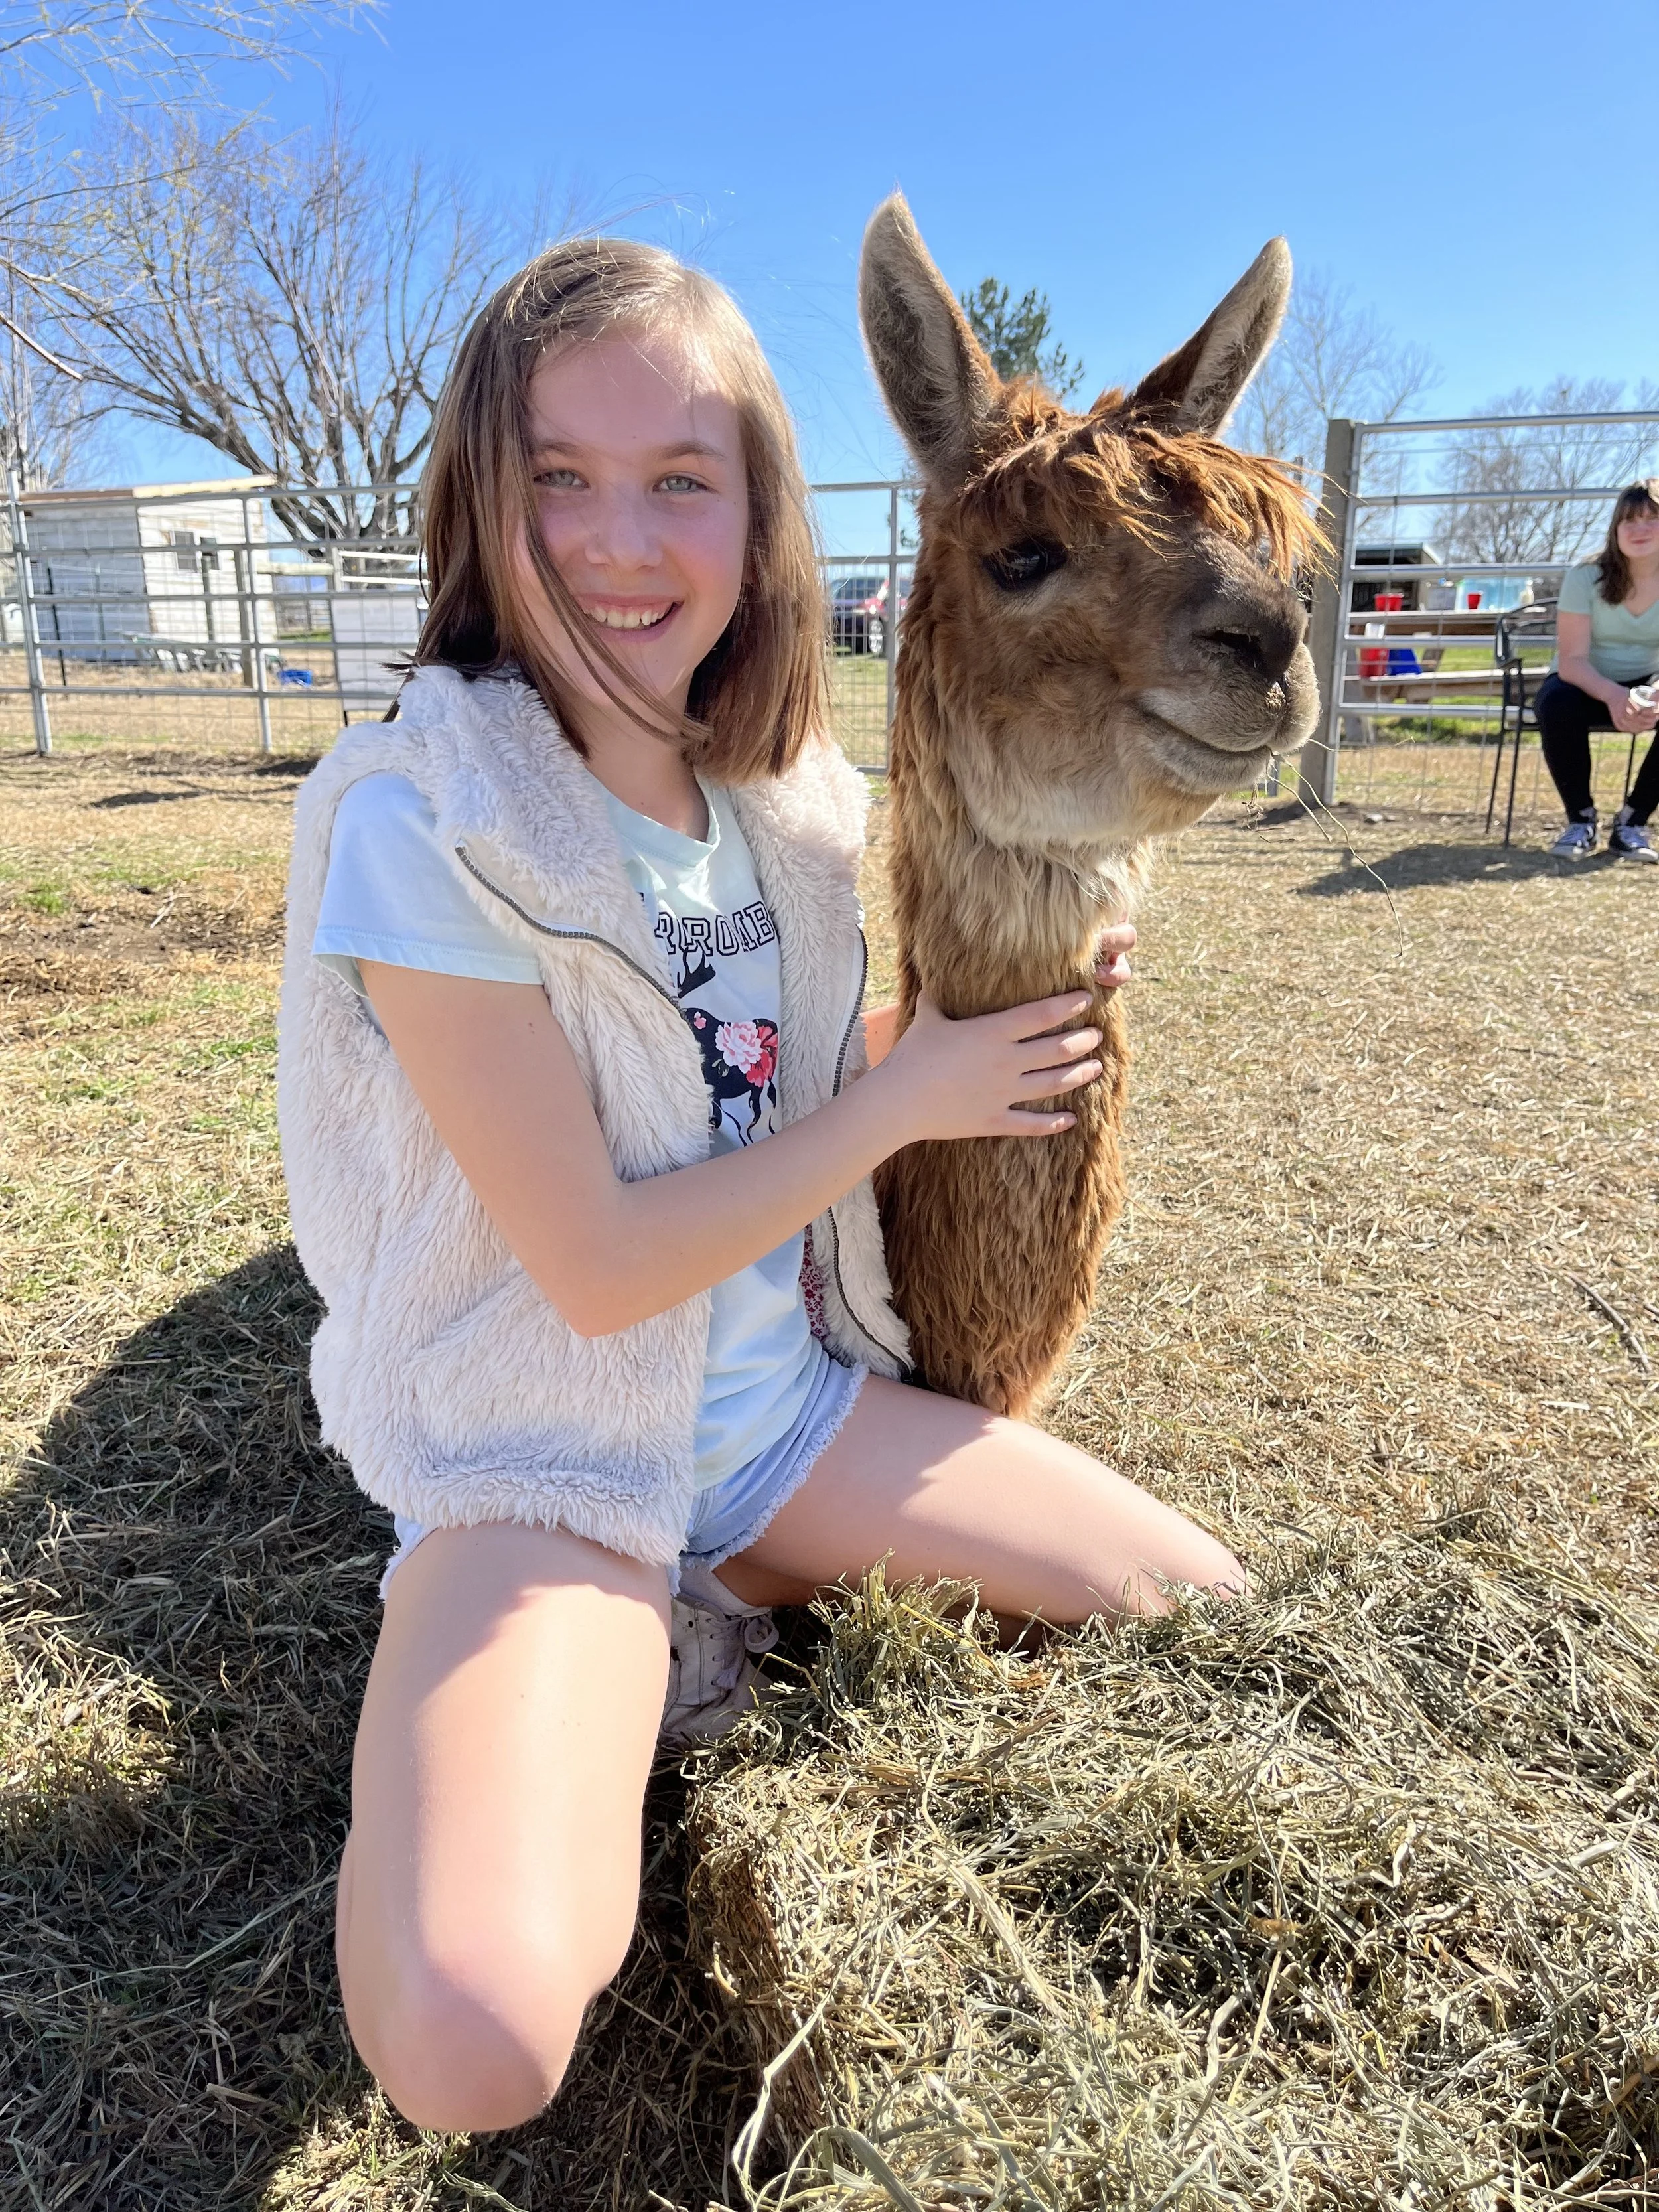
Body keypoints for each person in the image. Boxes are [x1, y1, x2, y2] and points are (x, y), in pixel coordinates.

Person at [276, 237, 1248, 2138]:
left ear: (755, 509)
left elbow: (750, 1073)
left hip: (782, 1419)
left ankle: (733, 1589)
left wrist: (987, 1016)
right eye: (557, 476)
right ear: (481, 491)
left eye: (678, 480)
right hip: (543, 1456)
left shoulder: (785, 807)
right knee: (474, 2043)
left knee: (1206, 1606)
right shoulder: (422, 817)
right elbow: (595, 1255)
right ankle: (560, 1657)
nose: (617, 542)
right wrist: (913, 1103)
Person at [1536, 479, 1659, 861]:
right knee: (1554, 703)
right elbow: (1572, 660)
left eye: (1652, 518)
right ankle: (1581, 821)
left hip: (1650, 685)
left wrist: (1655, 695)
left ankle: (1632, 823)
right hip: (1587, 682)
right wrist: (1614, 695)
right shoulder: (1586, 575)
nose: (1639, 529)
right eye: (1629, 521)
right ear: (1615, 530)